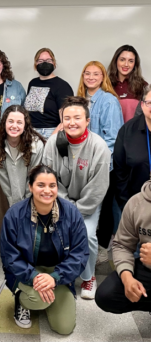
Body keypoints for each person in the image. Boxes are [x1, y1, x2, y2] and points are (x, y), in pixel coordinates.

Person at [0, 165, 89, 334]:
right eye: (41, 185)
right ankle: (22, 298)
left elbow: (80, 254)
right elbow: (9, 256)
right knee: (37, 300)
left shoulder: (71, 213)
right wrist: (34, 277)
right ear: (30, 187)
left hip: (57, 272)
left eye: (52, 185)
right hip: (27, 272)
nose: (47, 190)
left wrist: (54, 278)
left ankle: (49, 295)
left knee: (64, 328)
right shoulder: (14, 214)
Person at [42, 96, 110, 299]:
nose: (72, 122)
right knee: (55, 231)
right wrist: (64, 206)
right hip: (59, 201)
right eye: (67, 118)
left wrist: (76, 211)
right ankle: (65, 273)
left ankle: (89, 277)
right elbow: (49, 178)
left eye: (77, 117)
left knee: (87, 235)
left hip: (88, 204)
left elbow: (98, 188)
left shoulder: (99, 147)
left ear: (87, 121)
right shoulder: (54, 142)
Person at [77, 61, 124, 253]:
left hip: (102, 165)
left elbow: (112, 140)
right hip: (80, 166)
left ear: (103, 77)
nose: (91, 77)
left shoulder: (109, 101)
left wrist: (98, 164)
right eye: (87, 73)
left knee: (102, 211)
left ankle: (102, 252)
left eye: (96, 74)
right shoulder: (78, 100)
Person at [0, 105, 45, 243]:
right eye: (10, 121)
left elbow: (34, 176)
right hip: (10, 194)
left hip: (31, 193)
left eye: (19, 122)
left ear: (26, 125)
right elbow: (3, 179)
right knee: (12, 226)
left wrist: (25, 203)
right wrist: (14, 204)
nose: (14, 126)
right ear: (4, 123)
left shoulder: (36, 145)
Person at [95, 180, 151, 314]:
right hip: (147, 267)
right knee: (106, 295)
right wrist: (127, 278)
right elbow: (122, 245)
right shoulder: (137, 203)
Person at [114, 84, 151, 210]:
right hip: (136, 205)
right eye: (149, 102)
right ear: (142, 105)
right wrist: (127, 205)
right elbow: (120, 172)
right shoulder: (127, 131)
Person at [24, 48, 73, 139]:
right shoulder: (32, 83)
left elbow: (66, 118)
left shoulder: (62, 86)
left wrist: (52, 139)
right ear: (35, 64)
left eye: (48, 60)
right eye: (40, 61)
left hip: (50, 132)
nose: (44, 63)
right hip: (30, 132)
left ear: (54, 63)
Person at [108, 45, 148, 122]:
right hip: (112, 133)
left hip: (136, 132)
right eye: (122, 60)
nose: (126, 64)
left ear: (134, 64)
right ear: (116, 61)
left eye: (131, 61)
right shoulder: (106, 84)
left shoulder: (143, 86)